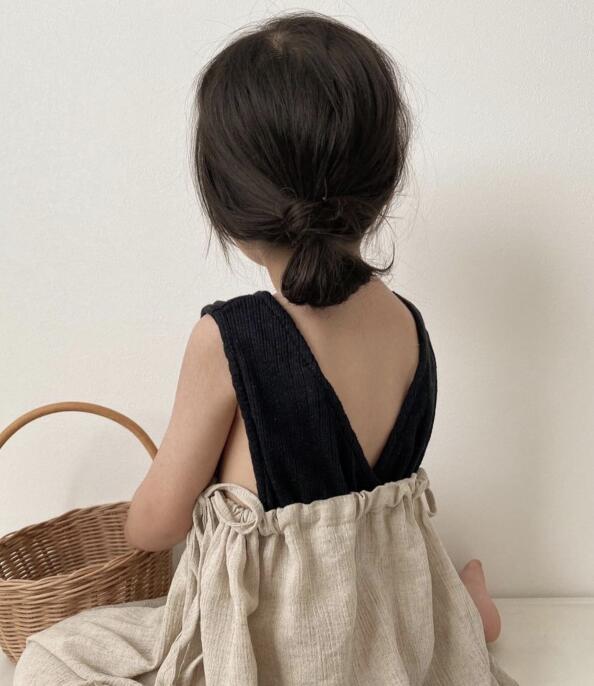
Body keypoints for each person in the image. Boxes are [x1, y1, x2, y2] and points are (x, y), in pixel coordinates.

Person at [14, 10, 516, 685]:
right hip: (388, 617)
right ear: (383, 178)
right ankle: (468, 613)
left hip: (281, 650)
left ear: (229, 204)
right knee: (444, 630)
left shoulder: (232, 340)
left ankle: (464, 611)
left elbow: (156, 525)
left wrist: (139, 517)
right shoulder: (407, 324)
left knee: (51, 654)